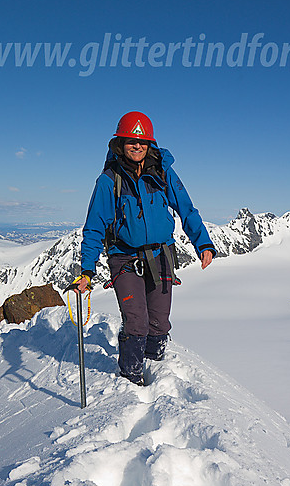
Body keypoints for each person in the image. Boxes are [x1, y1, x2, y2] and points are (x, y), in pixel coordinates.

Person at [73, 111, 215, 385]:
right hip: (124, 257)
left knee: (159, 324)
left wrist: (202, 242)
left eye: (142, 141)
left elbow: (186, 208)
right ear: (120, 143)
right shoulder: (108, 181)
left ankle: (153, 365)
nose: (137, 146)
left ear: (150, 144)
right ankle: (130, 376)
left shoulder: (163, 173)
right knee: (137, 323)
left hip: (161, 255)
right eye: (131, 141)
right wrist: (87, 270)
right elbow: (94, 228)